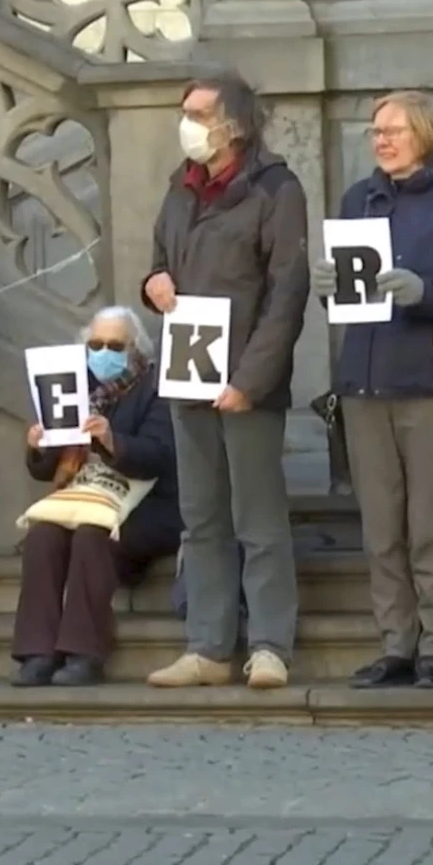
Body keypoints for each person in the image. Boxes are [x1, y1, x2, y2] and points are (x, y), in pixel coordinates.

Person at [312, 92, 433, 690]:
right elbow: (347, 294)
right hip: (364, 381)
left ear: (424, 135)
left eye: (393, 131)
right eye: (374, 132)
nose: (381, 140)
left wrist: (425, 292)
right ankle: (395, 643)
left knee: (429, 522)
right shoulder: (358, 201)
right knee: (381, 526)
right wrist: (326, 287)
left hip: (428, 382)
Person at [140, 71, 309, 691]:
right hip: (187, 369)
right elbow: (160, 263)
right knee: (201, 516)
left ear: (232, 124)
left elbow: (287, 292)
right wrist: (153, 286)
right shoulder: (179, 190)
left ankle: (269, 644)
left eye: (198, 113)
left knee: (257, 518)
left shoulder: (275, 189)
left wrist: (251, 380)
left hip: (244, 381)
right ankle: (208, 644)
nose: (187, 123)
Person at [11, 306, 182, 687]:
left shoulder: (155, 389)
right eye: (96, 344)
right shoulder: (75, 387)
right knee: (42, 535)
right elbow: (45, 470)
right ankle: (38, 651)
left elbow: (160, 456)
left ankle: (84, 653)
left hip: (148, 503)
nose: (103, 353)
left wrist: (110, 441)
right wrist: (39, 446)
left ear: (135, 349)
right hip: (86, 496)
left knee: (92, 536)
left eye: (114, 345)